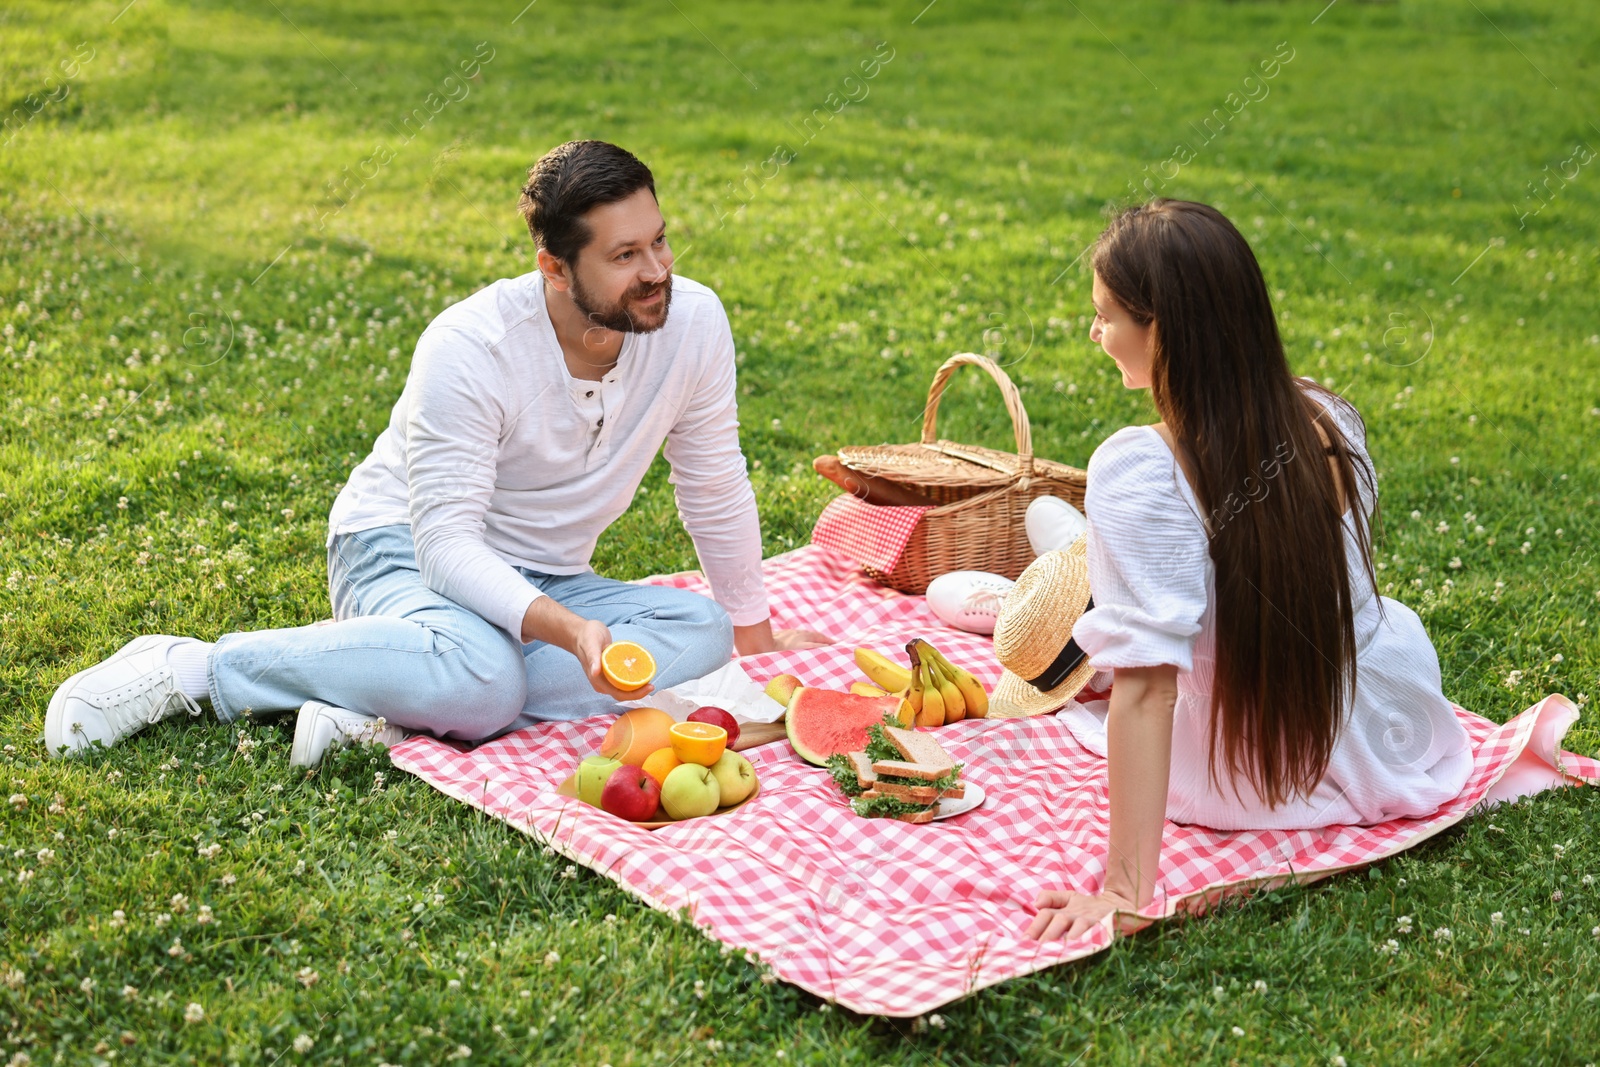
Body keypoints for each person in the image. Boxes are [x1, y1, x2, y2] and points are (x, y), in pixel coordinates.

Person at [46, 140, 826, 766]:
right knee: (487, 679)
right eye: (624, 256)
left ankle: (396, 703)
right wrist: (569, 629)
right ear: (553, 266)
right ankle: (195, 668)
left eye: (659, 241)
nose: (657, 272)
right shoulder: (470, 345)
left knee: (699, 629)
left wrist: (752, 639)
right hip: (400, 549)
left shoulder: (692, 323)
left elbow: (714, 480)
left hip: (545, 572)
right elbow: (446, 545)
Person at [1025, 199, 1472, 942]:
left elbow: (1146, 691)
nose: (1094, 332)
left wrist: (1125, 890)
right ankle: (1072, 582)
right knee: (1064, 533)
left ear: (1161, 329)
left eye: (1106, 315)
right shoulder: (1331, 418)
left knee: (1050, 530)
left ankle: (1055, 597)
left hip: (1246, 773)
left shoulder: (1139, 471)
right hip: (1379, 735)